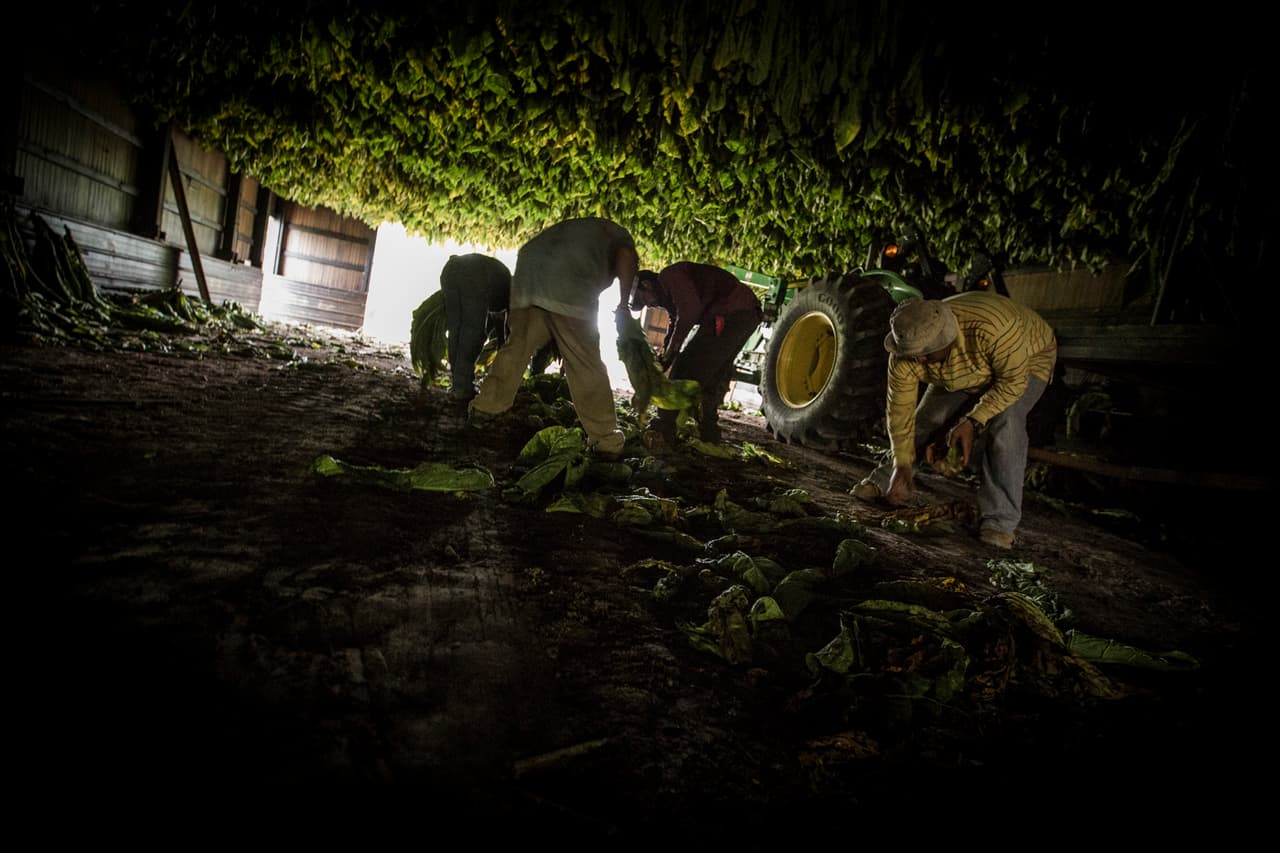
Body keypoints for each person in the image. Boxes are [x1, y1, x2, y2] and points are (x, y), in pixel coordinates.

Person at [851, 291, 1057, 550]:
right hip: (965, 368)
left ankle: (999, 522)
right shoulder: (908, 349)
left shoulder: (995, 328)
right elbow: (900, 411)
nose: (919, 360)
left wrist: (973, 421)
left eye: (925, 353)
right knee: (928, 418)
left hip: (1027, 360)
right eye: (914, 354)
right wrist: (902, 461)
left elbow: (1012, 383)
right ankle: (889, 478)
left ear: (945, 339)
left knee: (1007, 425)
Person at [467, 216, 639, 458]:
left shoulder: (587, 230)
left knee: (516, 348)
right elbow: (626, 256)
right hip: (569, 279)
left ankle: (485, 408)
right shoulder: (620, 237)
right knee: (585, 363)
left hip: (529, 271)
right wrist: (623, 304)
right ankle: (606, 441)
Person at [628, 262, 763, 444]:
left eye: (643, 300)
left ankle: (663, 426)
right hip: (745, 313)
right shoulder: (668, 295)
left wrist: (674, 350)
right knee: (713, 375)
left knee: (687, 366)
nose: (649, 306)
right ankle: (709, 433)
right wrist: (666, 356)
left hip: (730, 311)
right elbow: (676, 320)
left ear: (647, 284)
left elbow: (690, 311)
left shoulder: (669, 276)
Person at [439, 253, 513, 402]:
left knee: (456, 329)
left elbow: (500, 325)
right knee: (472, 333)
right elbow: (507, 327)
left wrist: (500, 344)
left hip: (449, 270)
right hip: (475, 275)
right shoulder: (512, 289)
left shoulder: (504, 281)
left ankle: (458, 385)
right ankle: (462, 388)